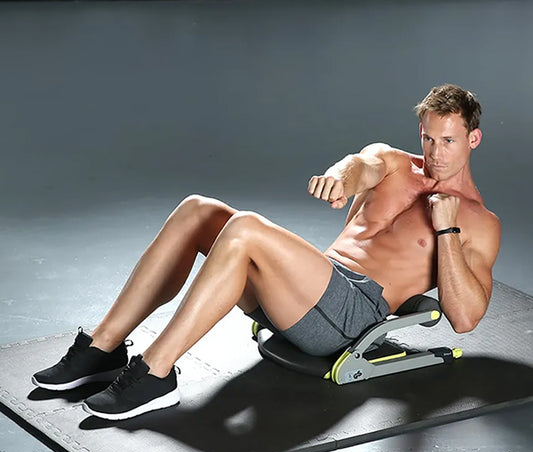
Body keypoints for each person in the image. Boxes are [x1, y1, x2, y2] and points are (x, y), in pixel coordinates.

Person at [32, 83, 501, 420]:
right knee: (197, 210)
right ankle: (104, 348)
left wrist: (447, 229)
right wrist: (339, 177)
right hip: (312, 289)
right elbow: (361, 165)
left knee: (246, 228)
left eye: (448, 141)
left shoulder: (480, 223)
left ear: (473, 139)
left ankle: (155, 373)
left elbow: (465, 319)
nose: (435, 152)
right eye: (428, 138)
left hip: (354, 316)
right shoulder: (395, 163)